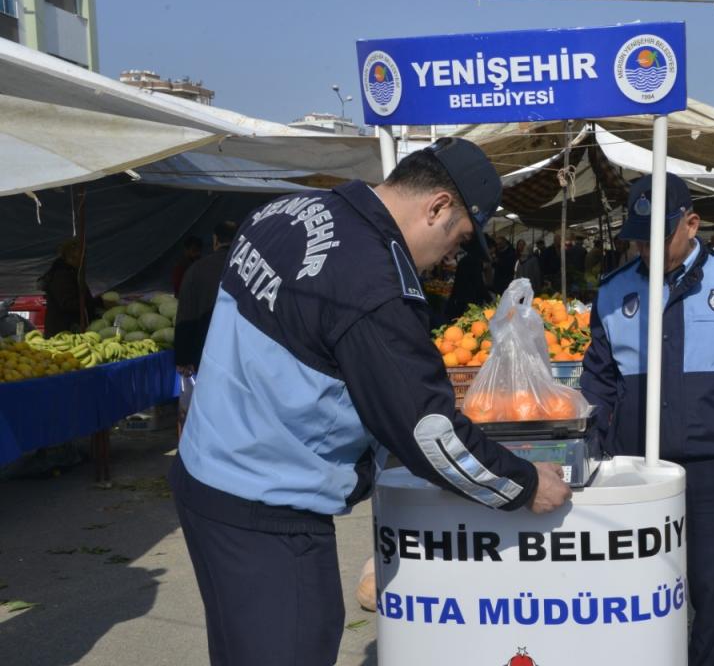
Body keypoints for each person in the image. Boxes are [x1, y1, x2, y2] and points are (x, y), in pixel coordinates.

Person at [170, 138, 571, 666]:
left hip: (204, 473)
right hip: (267, 506)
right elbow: (431, 435)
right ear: (437, 207)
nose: (451, 257)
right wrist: (523, 484)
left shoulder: (288, 210)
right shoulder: (375, 284)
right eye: (459, 240)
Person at [581, 174, 714, 666]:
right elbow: (598, 382)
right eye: (636, 237)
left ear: (691, 224)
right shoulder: (615, 291)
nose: (643, 247)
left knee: (712, 585)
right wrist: (587, 456)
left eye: (655, 235)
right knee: (637, 586)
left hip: (713, 466)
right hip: (634, 467)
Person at [174, 221, 239, 373]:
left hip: (205, 352)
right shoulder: (248, 270)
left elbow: (186, 315)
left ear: (215, 240)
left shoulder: (196, 270)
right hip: (240, 355)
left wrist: (183, 358)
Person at [39, 239, 94, 335]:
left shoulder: (71, 273)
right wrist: (95, 303)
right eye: (81, 255)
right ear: (70, 256)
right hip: (62, 331)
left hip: (67, 328)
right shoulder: (62, 275)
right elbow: (68, 303)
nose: (84, 258)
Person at [445, 240, 490, 321]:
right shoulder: (476, 262)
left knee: (458, 319)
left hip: (461, 297)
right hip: (471, 299)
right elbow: (479, 283)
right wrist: (488, 298)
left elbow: (457, 281)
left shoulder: (464, 260)